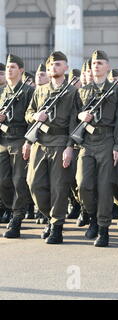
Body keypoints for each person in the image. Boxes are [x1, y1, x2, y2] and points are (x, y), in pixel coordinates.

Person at [24, 51, 78, 244]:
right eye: (50, 65)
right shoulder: (40, 90)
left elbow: (74, 122)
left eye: (58, 64)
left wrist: (70, 147)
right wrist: (34, 117)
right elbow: (28, 112)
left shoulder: (72, 92)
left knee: (59, 187)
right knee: (34, 183)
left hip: (60, 142)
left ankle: (57, 226)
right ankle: (49, 217)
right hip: (40, 142)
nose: (53, 68)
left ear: (65, 68)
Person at [76, 50, 118, 247]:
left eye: (100, 63)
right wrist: (81, 117)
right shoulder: (83, 90)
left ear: (107, 66)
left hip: (106, 139)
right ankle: (92, 217)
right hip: (87, 141)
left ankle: (103, 228)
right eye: (93, 63)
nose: (96, 66)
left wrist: (116, 146)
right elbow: (74, 119)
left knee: (104, 187)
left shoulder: (117, 91)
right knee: (83, 184)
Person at [0, 54, 35, 238]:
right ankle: (8, 207)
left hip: (20, 138)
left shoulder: (29, 91)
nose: (9, 70)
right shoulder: (3, 92)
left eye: (13, 67)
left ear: (21, 70)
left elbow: (31, 119)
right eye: (7, 67)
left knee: (18, 180)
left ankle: (17, 218)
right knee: (2, 181)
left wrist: (28, 142)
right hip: (3, 140)